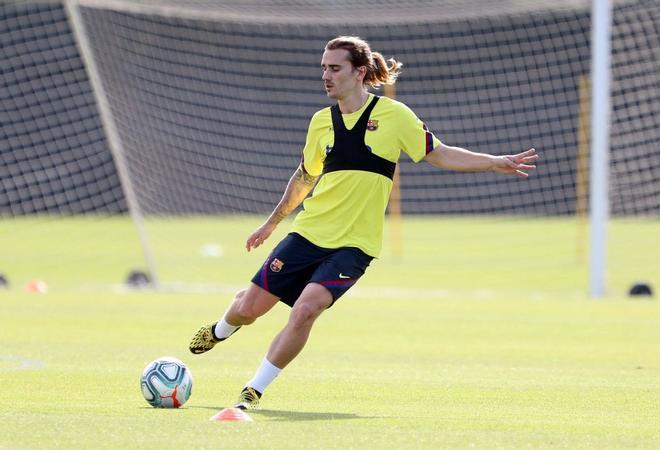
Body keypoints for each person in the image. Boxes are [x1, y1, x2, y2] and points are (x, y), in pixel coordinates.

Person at [189, 36, 538, 410]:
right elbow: (304, 178)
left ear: (359, 72)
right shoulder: (320, 123)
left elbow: (439, 153)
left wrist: (494, 161)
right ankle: (221, 330)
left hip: (355, 246)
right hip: (308, 234)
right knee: (249, 309)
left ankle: (254, 389)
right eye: (323, 67)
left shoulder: (394, 115)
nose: (326, 75)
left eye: (334, 68)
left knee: (306, 309)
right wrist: (271, 224)